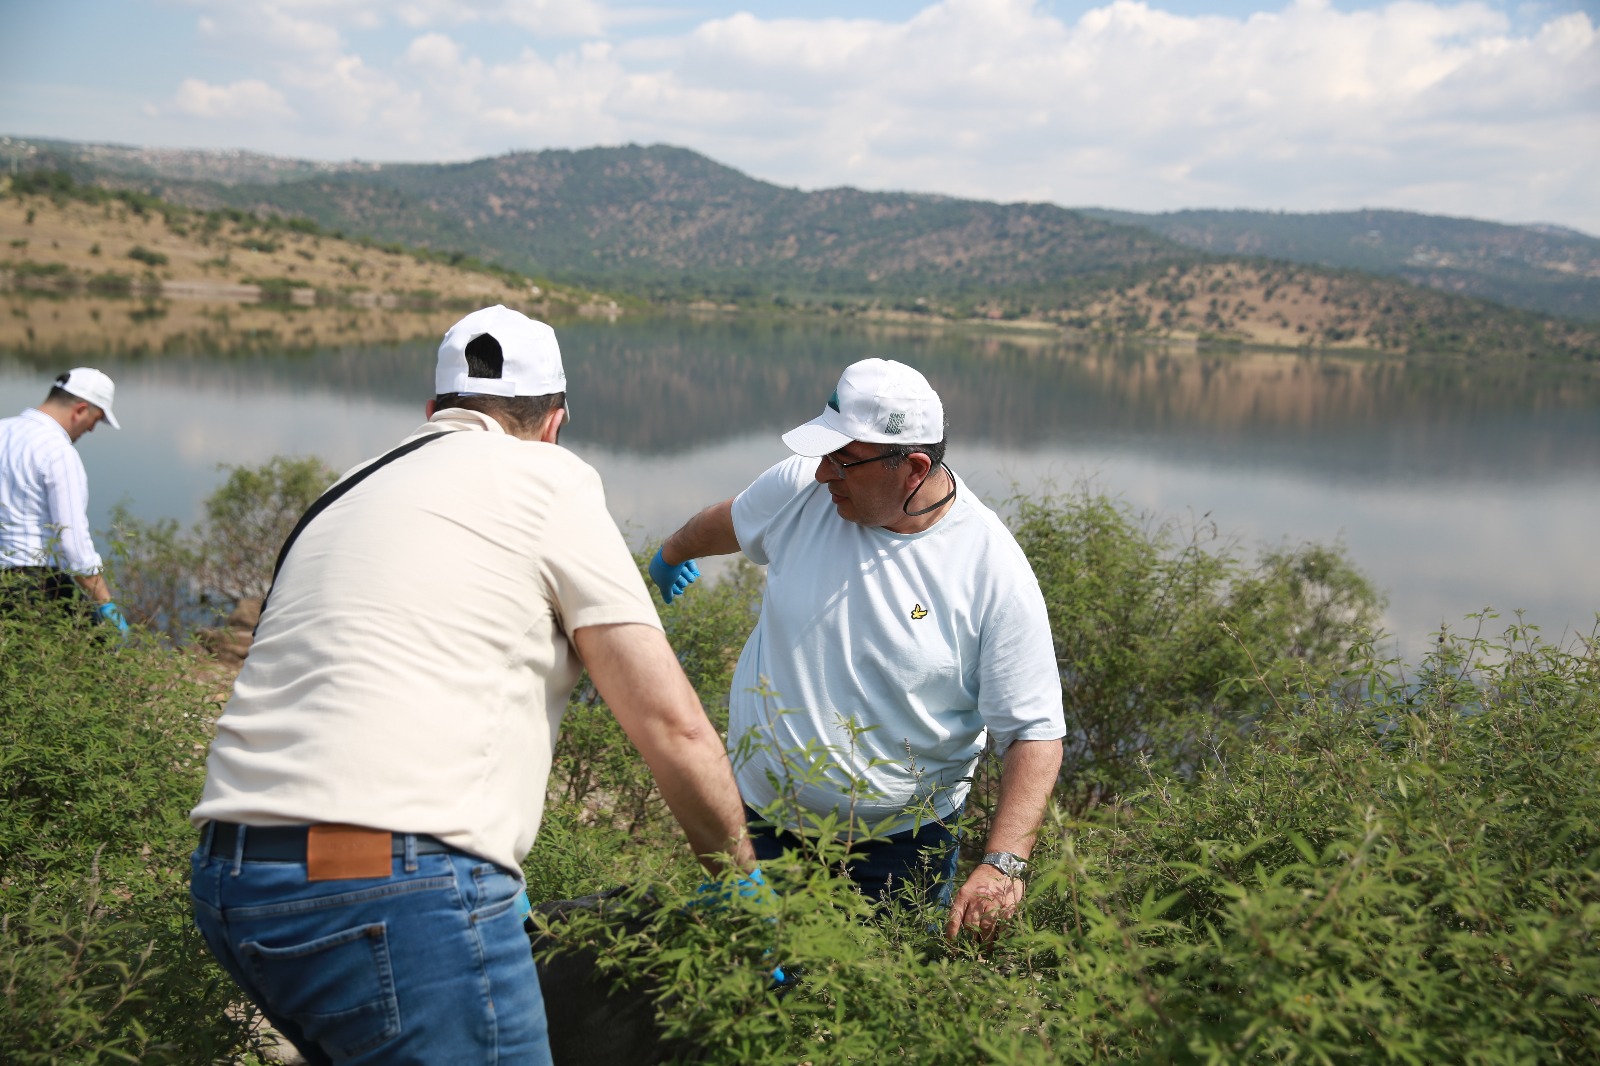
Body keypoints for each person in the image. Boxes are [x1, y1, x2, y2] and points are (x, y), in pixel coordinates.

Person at [189, 305, 754, 1065]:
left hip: (240, 875)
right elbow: (673, 729)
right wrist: (739, 883)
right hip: (393, 885)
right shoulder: (548, 479)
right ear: (555, 422)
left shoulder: (347, 488)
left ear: (433, 414)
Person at [650, 357, 1065, 942]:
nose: (822, 474)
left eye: (842, 461)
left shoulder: (990, 570)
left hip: (897, 851)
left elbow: (1034, 731)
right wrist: (671, 552)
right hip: (759, 821)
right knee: (741, 994)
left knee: (861, 1010)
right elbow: (735, 520)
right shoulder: (803, 489)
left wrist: (1003, 862)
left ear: (914, 467)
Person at [0, 367, 128, 632]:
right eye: (96, 419)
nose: (92, 429)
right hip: (32, 585)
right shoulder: (57, 451)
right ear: (80, 410)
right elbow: (73, 544)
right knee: (102, 657)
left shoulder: (3, 430)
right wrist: (106, 605)